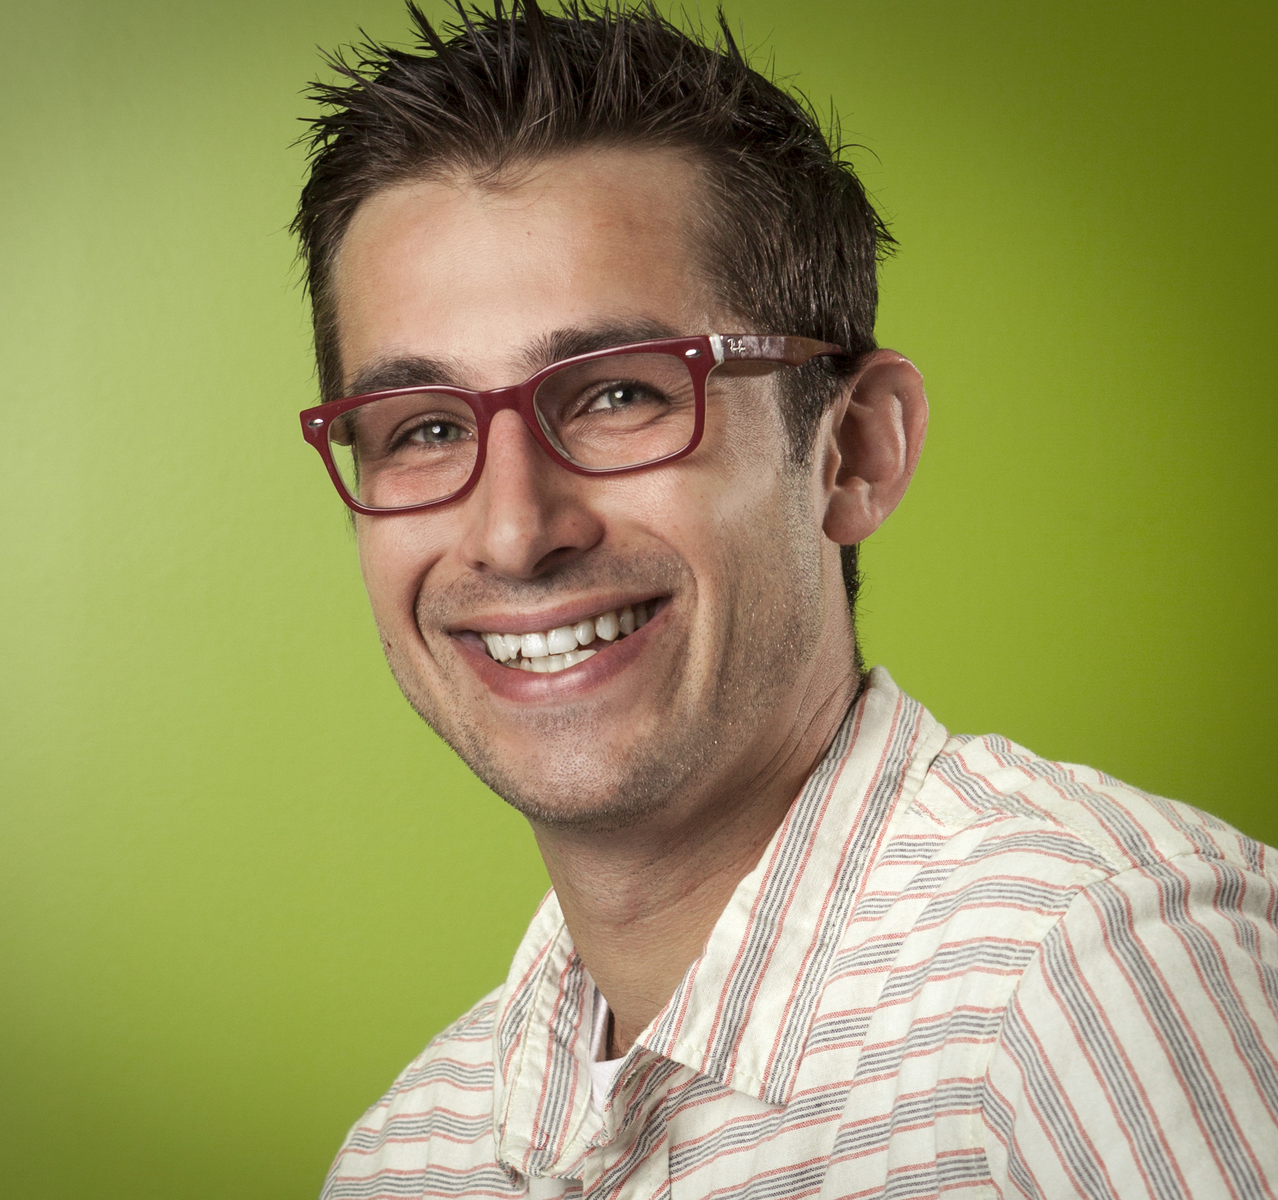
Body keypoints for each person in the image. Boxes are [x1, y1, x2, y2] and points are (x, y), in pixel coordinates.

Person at [293, 2, 1278, 1195]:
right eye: (424, 428)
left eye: (619, 396)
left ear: (854, 452)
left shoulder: (1093, 977)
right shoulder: (409, 1153)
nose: (514, 530)